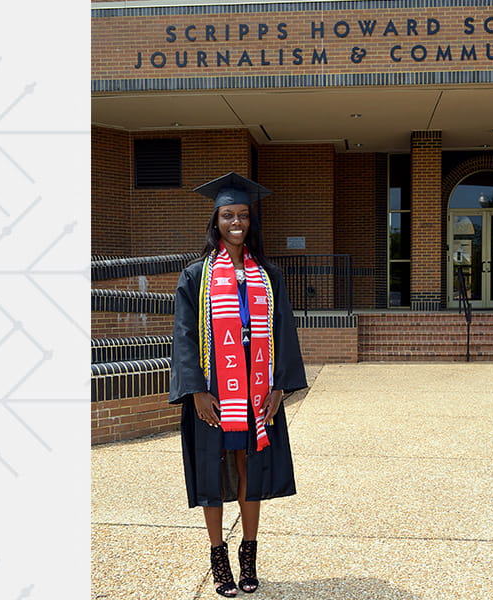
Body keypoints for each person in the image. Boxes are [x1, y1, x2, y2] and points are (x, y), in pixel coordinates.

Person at [169, 172, 307, 597]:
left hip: (257, 386)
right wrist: (196, 390)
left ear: (251, 220)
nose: (236, 222)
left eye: (243, 215)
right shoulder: (196, 277)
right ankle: (219, 558)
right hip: (214, 387)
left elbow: (283, 330)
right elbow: (184, 336)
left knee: (252, 466)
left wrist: (279, 386)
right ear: (216, 220)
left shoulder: (267, 275)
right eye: (228, 215)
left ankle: (249, 556)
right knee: (212, 468)